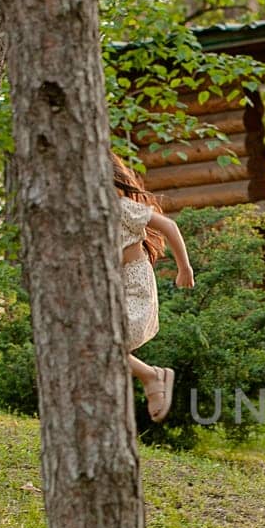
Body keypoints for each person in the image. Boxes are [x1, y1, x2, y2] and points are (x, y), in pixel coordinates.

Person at [112, 153, 193, 421]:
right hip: (114, 293)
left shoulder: (122, 208)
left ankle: (151, 376)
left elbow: (169, 226)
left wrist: (184, 268)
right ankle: (150, 376)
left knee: (99, 343)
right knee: (86, 344)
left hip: (136, 292)